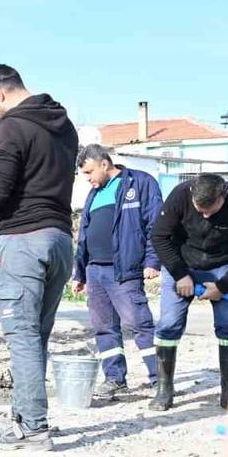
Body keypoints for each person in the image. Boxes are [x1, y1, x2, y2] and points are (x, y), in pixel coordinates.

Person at [0, 63, 78, 450]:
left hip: (23, 241)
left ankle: (34, 427)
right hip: (60, 239)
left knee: (22, 337)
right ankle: (24, 421)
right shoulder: (63, 125)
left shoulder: (12, 126)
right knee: (35, 337)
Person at [72, 144, 163, 401]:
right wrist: (80, 273)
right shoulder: (93, 194)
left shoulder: (139, 183)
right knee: (104, 328)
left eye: (89, 172)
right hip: (95, 271)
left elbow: (155, 223)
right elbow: (84, 234)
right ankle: (114, 379)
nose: (88, 179)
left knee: (140, 324)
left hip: (124, 271)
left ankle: (159, 379)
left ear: (103, 163)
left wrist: (153, 261)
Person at [149, 173, 228, 411]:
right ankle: (164, 390)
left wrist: (223, 285)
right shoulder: (180, 195)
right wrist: (180, 274)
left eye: (211, 210)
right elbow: (159, 237)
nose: (205, 216)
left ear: (223, 195)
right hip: (181, 263)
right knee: (169, 324)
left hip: (222, 265)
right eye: (200, 210)